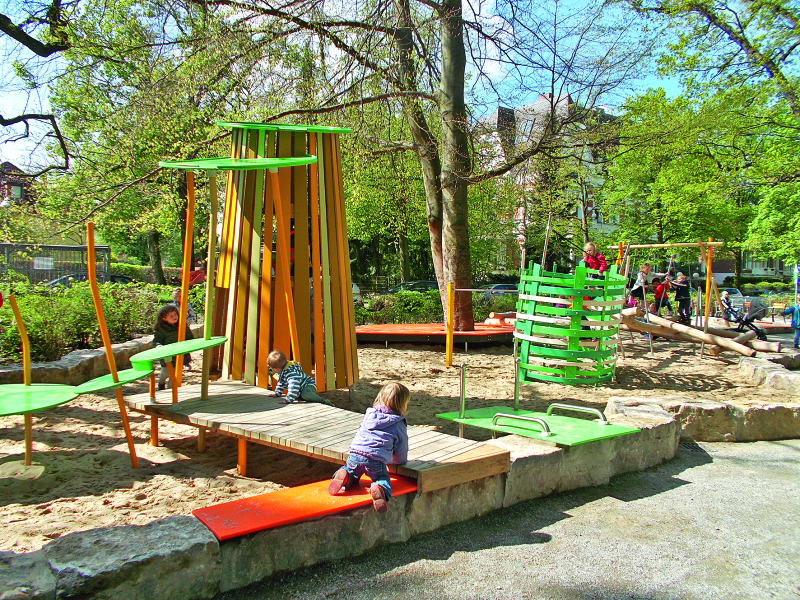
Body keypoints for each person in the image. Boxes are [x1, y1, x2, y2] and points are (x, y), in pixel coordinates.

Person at [327, 382, 410, 513]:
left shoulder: (370, 414)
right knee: (381, 478)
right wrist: (400, 462)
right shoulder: (398, 423)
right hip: (375, 461)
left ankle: (345, 475)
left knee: (351, 472)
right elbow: (401, 447)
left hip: (354, 454)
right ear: (403, 404)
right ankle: (378, 487)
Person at [267, 349, 332, 405]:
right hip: (300, 388)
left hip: (307, 385)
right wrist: (277, 393)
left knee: (306, 394)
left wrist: (288, 399)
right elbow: (281, 383)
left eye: (271, 368)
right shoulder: (282, 372)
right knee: (300, 396)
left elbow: (293, 386)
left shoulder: (291, 374)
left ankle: (322, 401)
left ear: (275, 369)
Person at [152, 304, 194, 392]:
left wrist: (188, 345)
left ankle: (171, 391)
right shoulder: (161, 329)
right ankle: (161, 382)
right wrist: (159, 346)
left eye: (175, 314)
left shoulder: (182, 326)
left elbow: (190, 337)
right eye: (171, 316)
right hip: (168, 356)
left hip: (180, 354)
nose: (174, 317)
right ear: (164, 319)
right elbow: (156, 341)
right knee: (165, 372)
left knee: (175, 374)